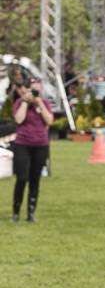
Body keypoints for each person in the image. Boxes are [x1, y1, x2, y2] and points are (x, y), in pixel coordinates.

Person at [11, 79, 53, 223]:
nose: (35, 93)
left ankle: (31, 212)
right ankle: (16, 212)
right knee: (22, 178)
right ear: (27, 90)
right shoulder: (19, 103)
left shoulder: (44, 103)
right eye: (33, 90)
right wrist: (25, 102)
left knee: (35, 179)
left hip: (40, 145)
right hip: (23, 144)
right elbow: (18, 119)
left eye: (38, 91)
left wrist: (39, 103)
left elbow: (49, 121)